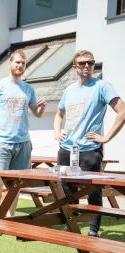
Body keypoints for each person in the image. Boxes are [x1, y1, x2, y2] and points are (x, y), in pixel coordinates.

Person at [54, 49, 125, 237]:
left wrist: (106, 137)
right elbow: (59, 114)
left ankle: (93, 230)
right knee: (67, 188)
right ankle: (71, 223)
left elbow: (122, 111)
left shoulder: (102, 86)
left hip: (90, 149)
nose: (87, 66)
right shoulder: (69, 90)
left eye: (91, 63)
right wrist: (56, 131)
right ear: (74, 67)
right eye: (83, 63)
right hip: (67, 148)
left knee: (93, 189)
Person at [0, 49, 46, 217]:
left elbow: (36, 113)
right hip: (2, 142)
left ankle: (10, 216)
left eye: (23, 63)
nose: (20, 65)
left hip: (23, 142)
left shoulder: (28, 89)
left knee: (17, 183)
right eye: (17, 62)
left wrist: (41, 109)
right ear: (10, 63)